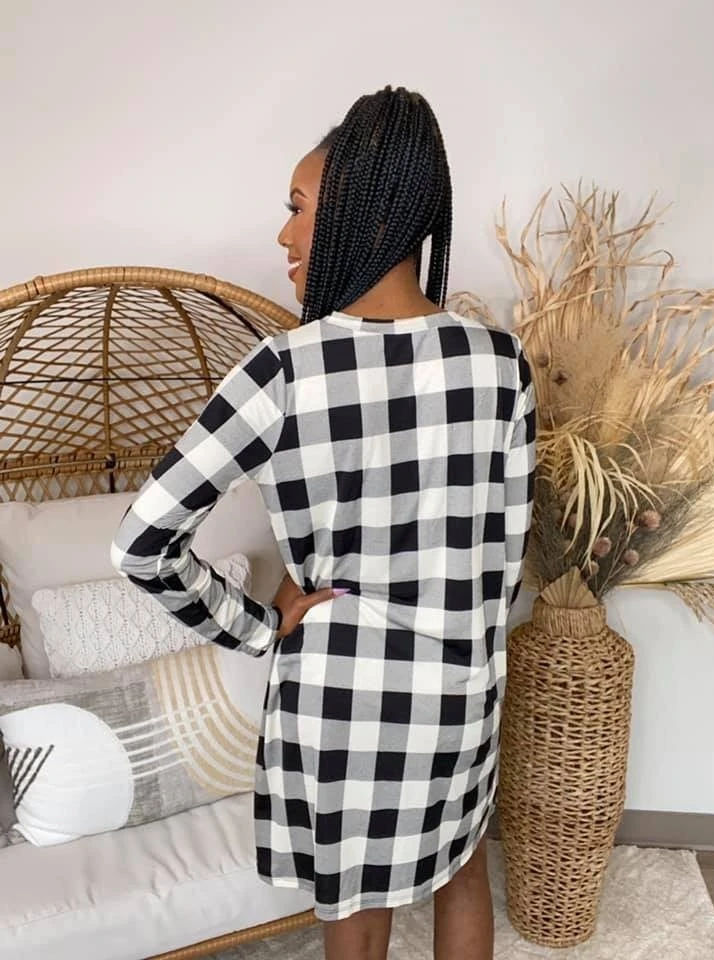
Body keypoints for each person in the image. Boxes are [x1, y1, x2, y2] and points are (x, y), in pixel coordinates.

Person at [112, 85, 535, 960]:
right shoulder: (500, 362)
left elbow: (142, 542)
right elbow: (505, 553)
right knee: (461, 869)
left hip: (342, 699)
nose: (284, 234)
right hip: (459, 688)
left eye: (299, 206)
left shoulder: (282, 373)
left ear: (364, 213)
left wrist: (258, 625)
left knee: (358, 912)